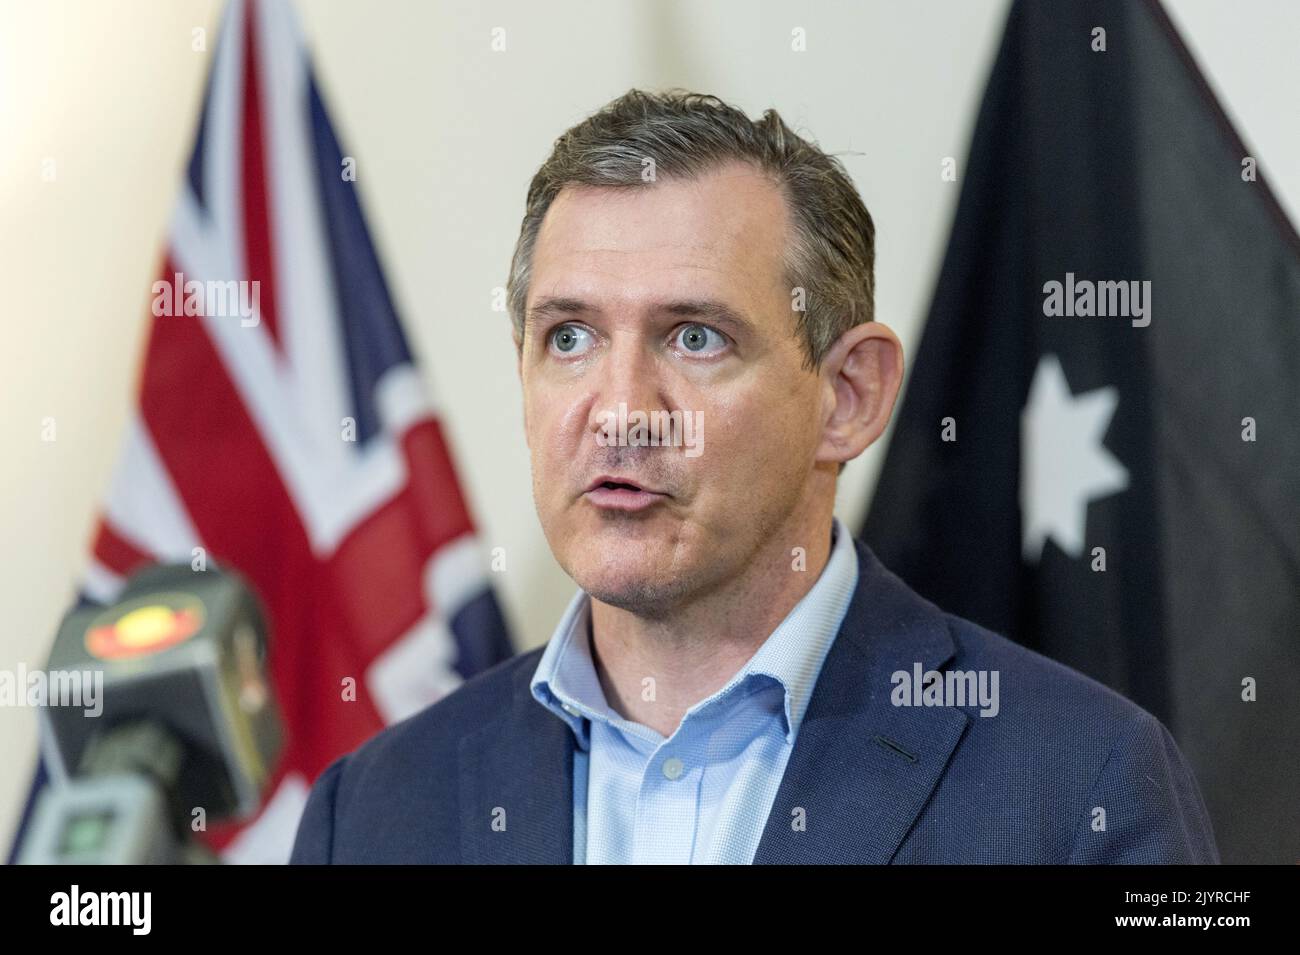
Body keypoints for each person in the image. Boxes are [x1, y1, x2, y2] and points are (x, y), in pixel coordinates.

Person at [289, 89, 1218, 864]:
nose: (618, 409)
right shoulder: (371, 812)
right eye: (568, 337)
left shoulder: (1082, 781)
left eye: (695, 337)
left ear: (848, 395)